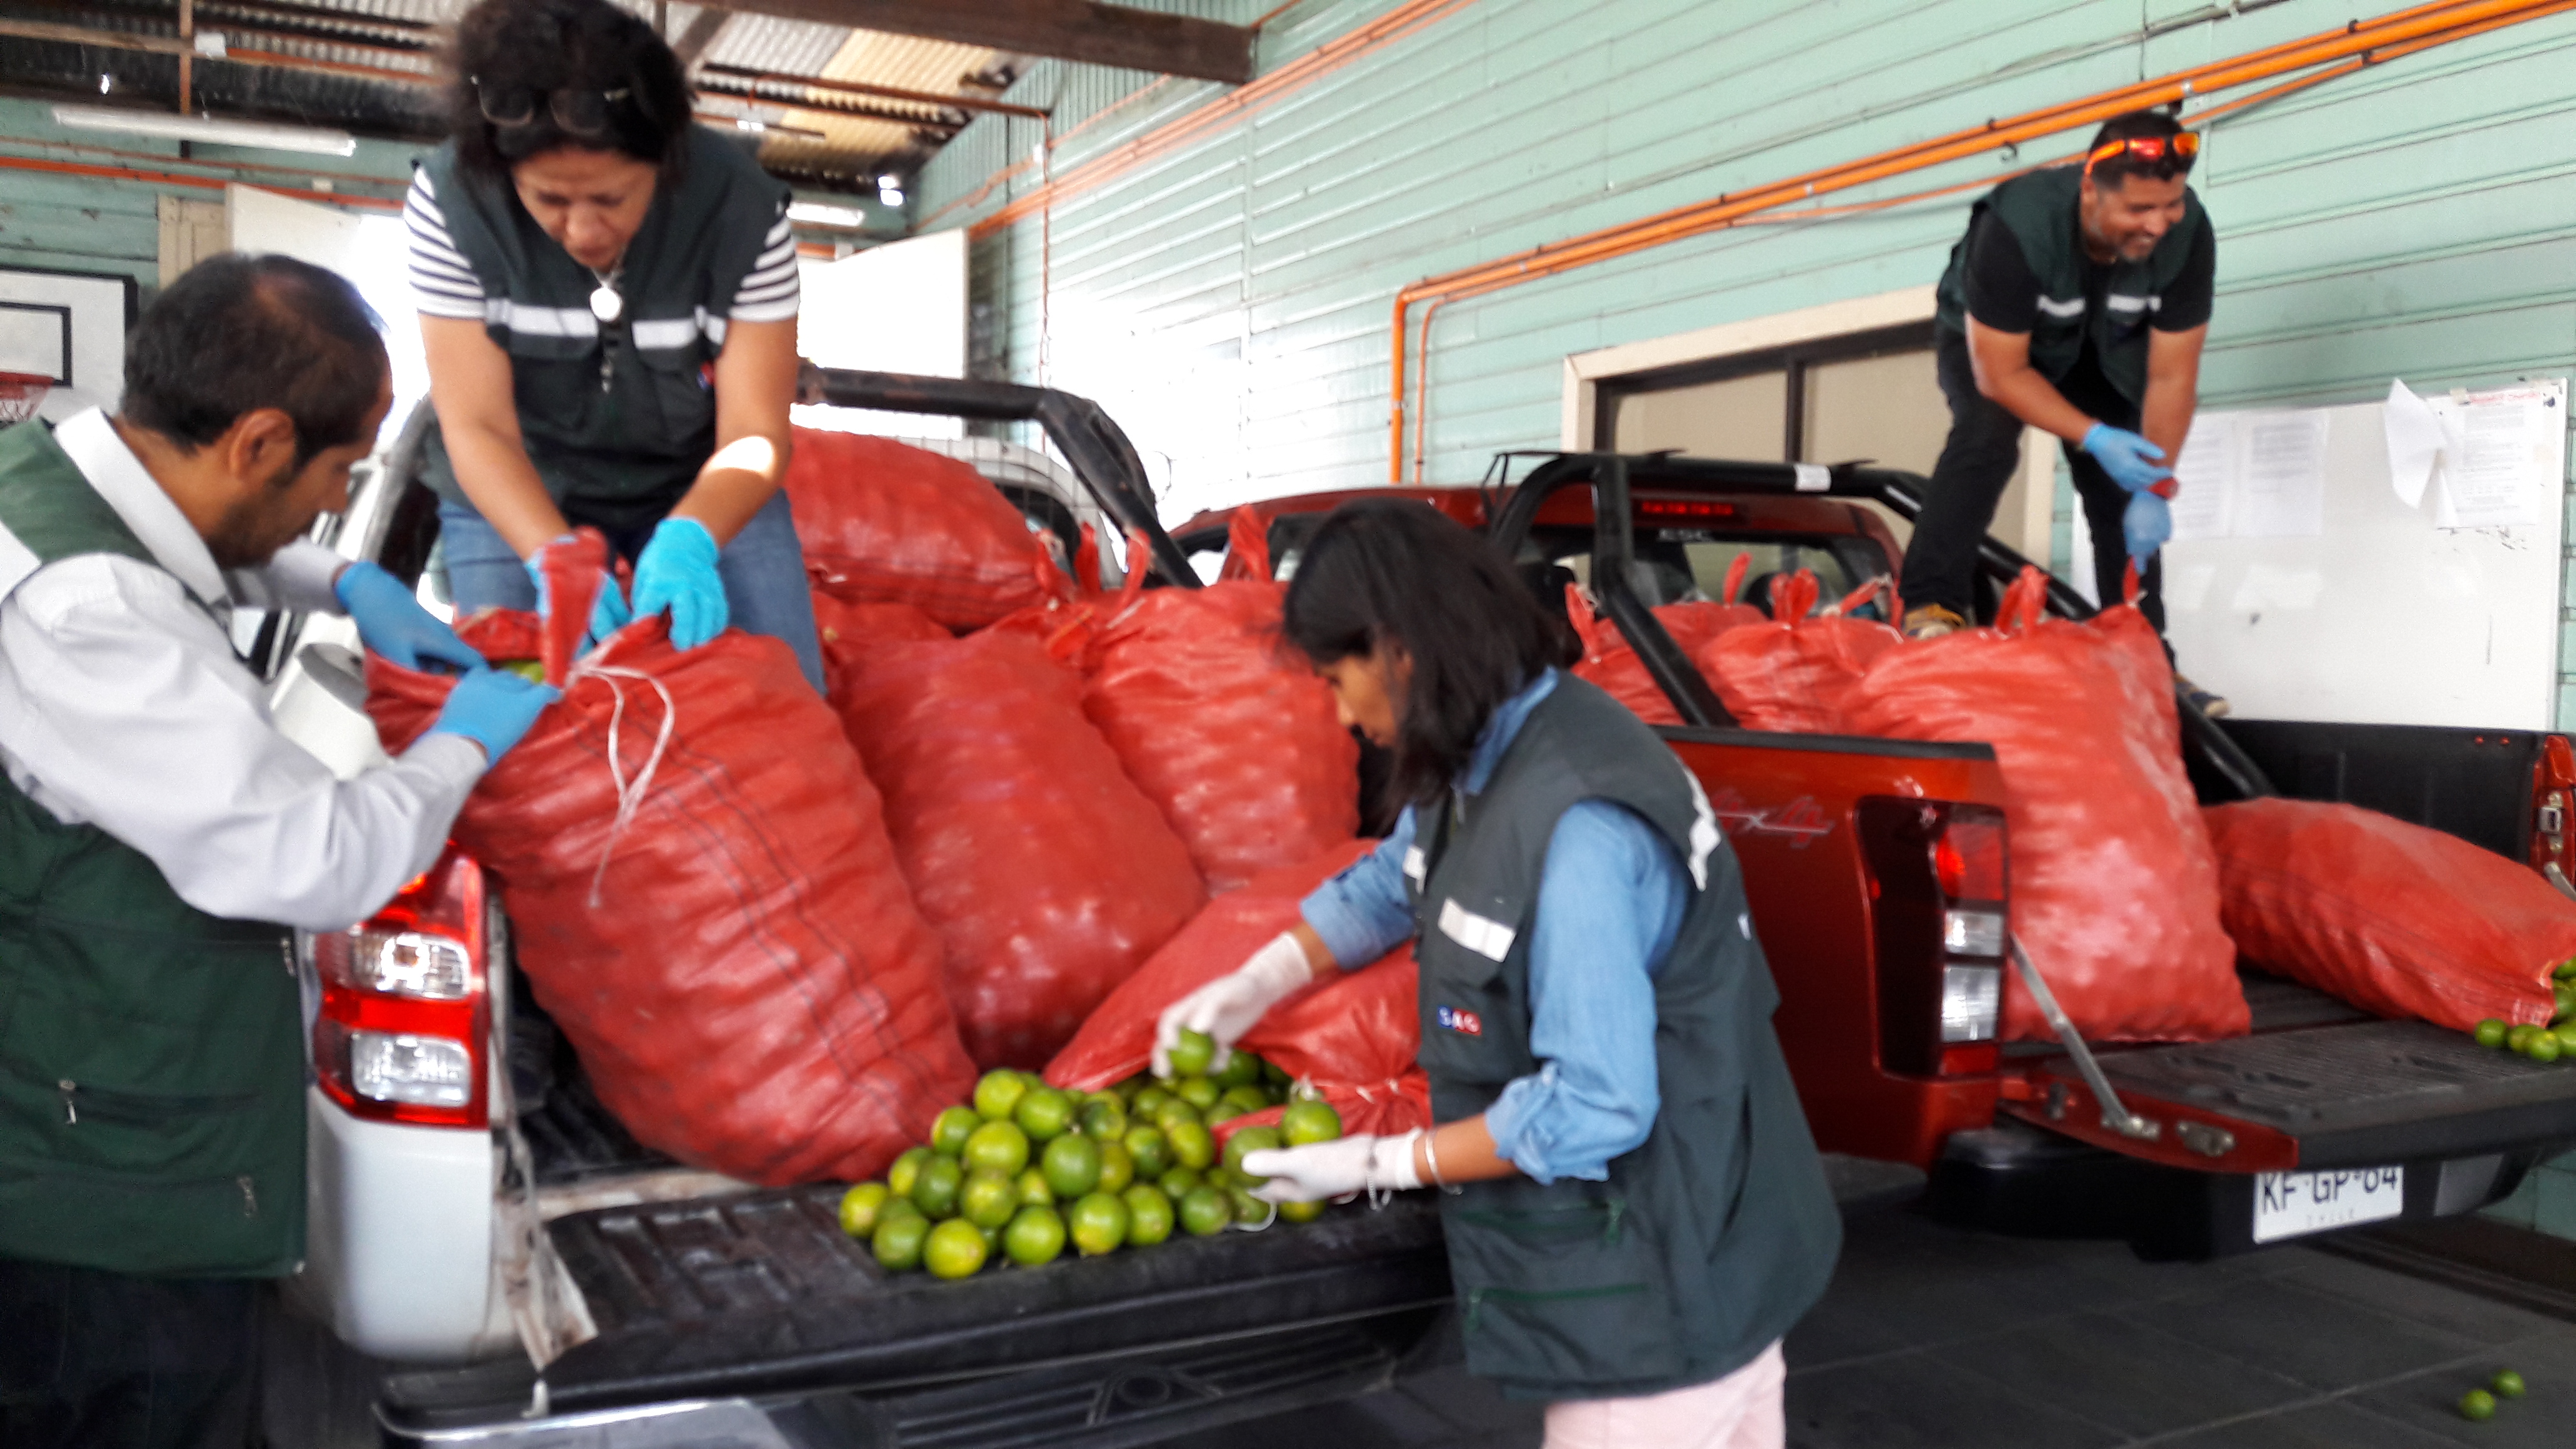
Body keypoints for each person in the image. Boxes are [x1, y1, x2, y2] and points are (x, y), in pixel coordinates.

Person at [0, 254, 556, 1447]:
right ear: (256, 440)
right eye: (337, 478)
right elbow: (311, 857)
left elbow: (182, 537)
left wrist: (344, 579)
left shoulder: (40, 469)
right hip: (102, 1201)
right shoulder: (92, 615)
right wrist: (460, 748)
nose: (326, 503)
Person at [1158, 499, 1840, 1448]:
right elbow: (1398, 877)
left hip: (1660, 1279)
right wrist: (1259, 979)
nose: (1339, 712)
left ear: (1397, 648)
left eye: (1334, 678)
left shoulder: (1578, 829)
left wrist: (1377, 1163)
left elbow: (1598, 1106)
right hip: (1705, 1237)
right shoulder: (1503, 737)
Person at [407, 0, 822, 690]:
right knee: (506, 709)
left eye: (611, 199)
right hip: (520, 478)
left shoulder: (746, 214)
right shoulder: (450, 206)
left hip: (694, 482)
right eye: (549, 201)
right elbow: (475, 425)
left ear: (665, 161)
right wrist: (551, 554)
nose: (584, 231)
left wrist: (692, 536)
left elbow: (754, 432)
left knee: (787, 690)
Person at [1901, 107, 2228, 716]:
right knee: (1987, 434)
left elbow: (2172, 374)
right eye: (2138, 210)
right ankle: (1930, 602)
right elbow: (2001, 375)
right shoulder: (2018, 226)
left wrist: (2155, 484)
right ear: (2089, 190)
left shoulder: (2189, 236)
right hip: (1997, 350)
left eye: (2172, 205)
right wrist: (2093, 434)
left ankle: (2144, 655)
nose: (2158, 225)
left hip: (2101, 348)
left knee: (2120, 487)